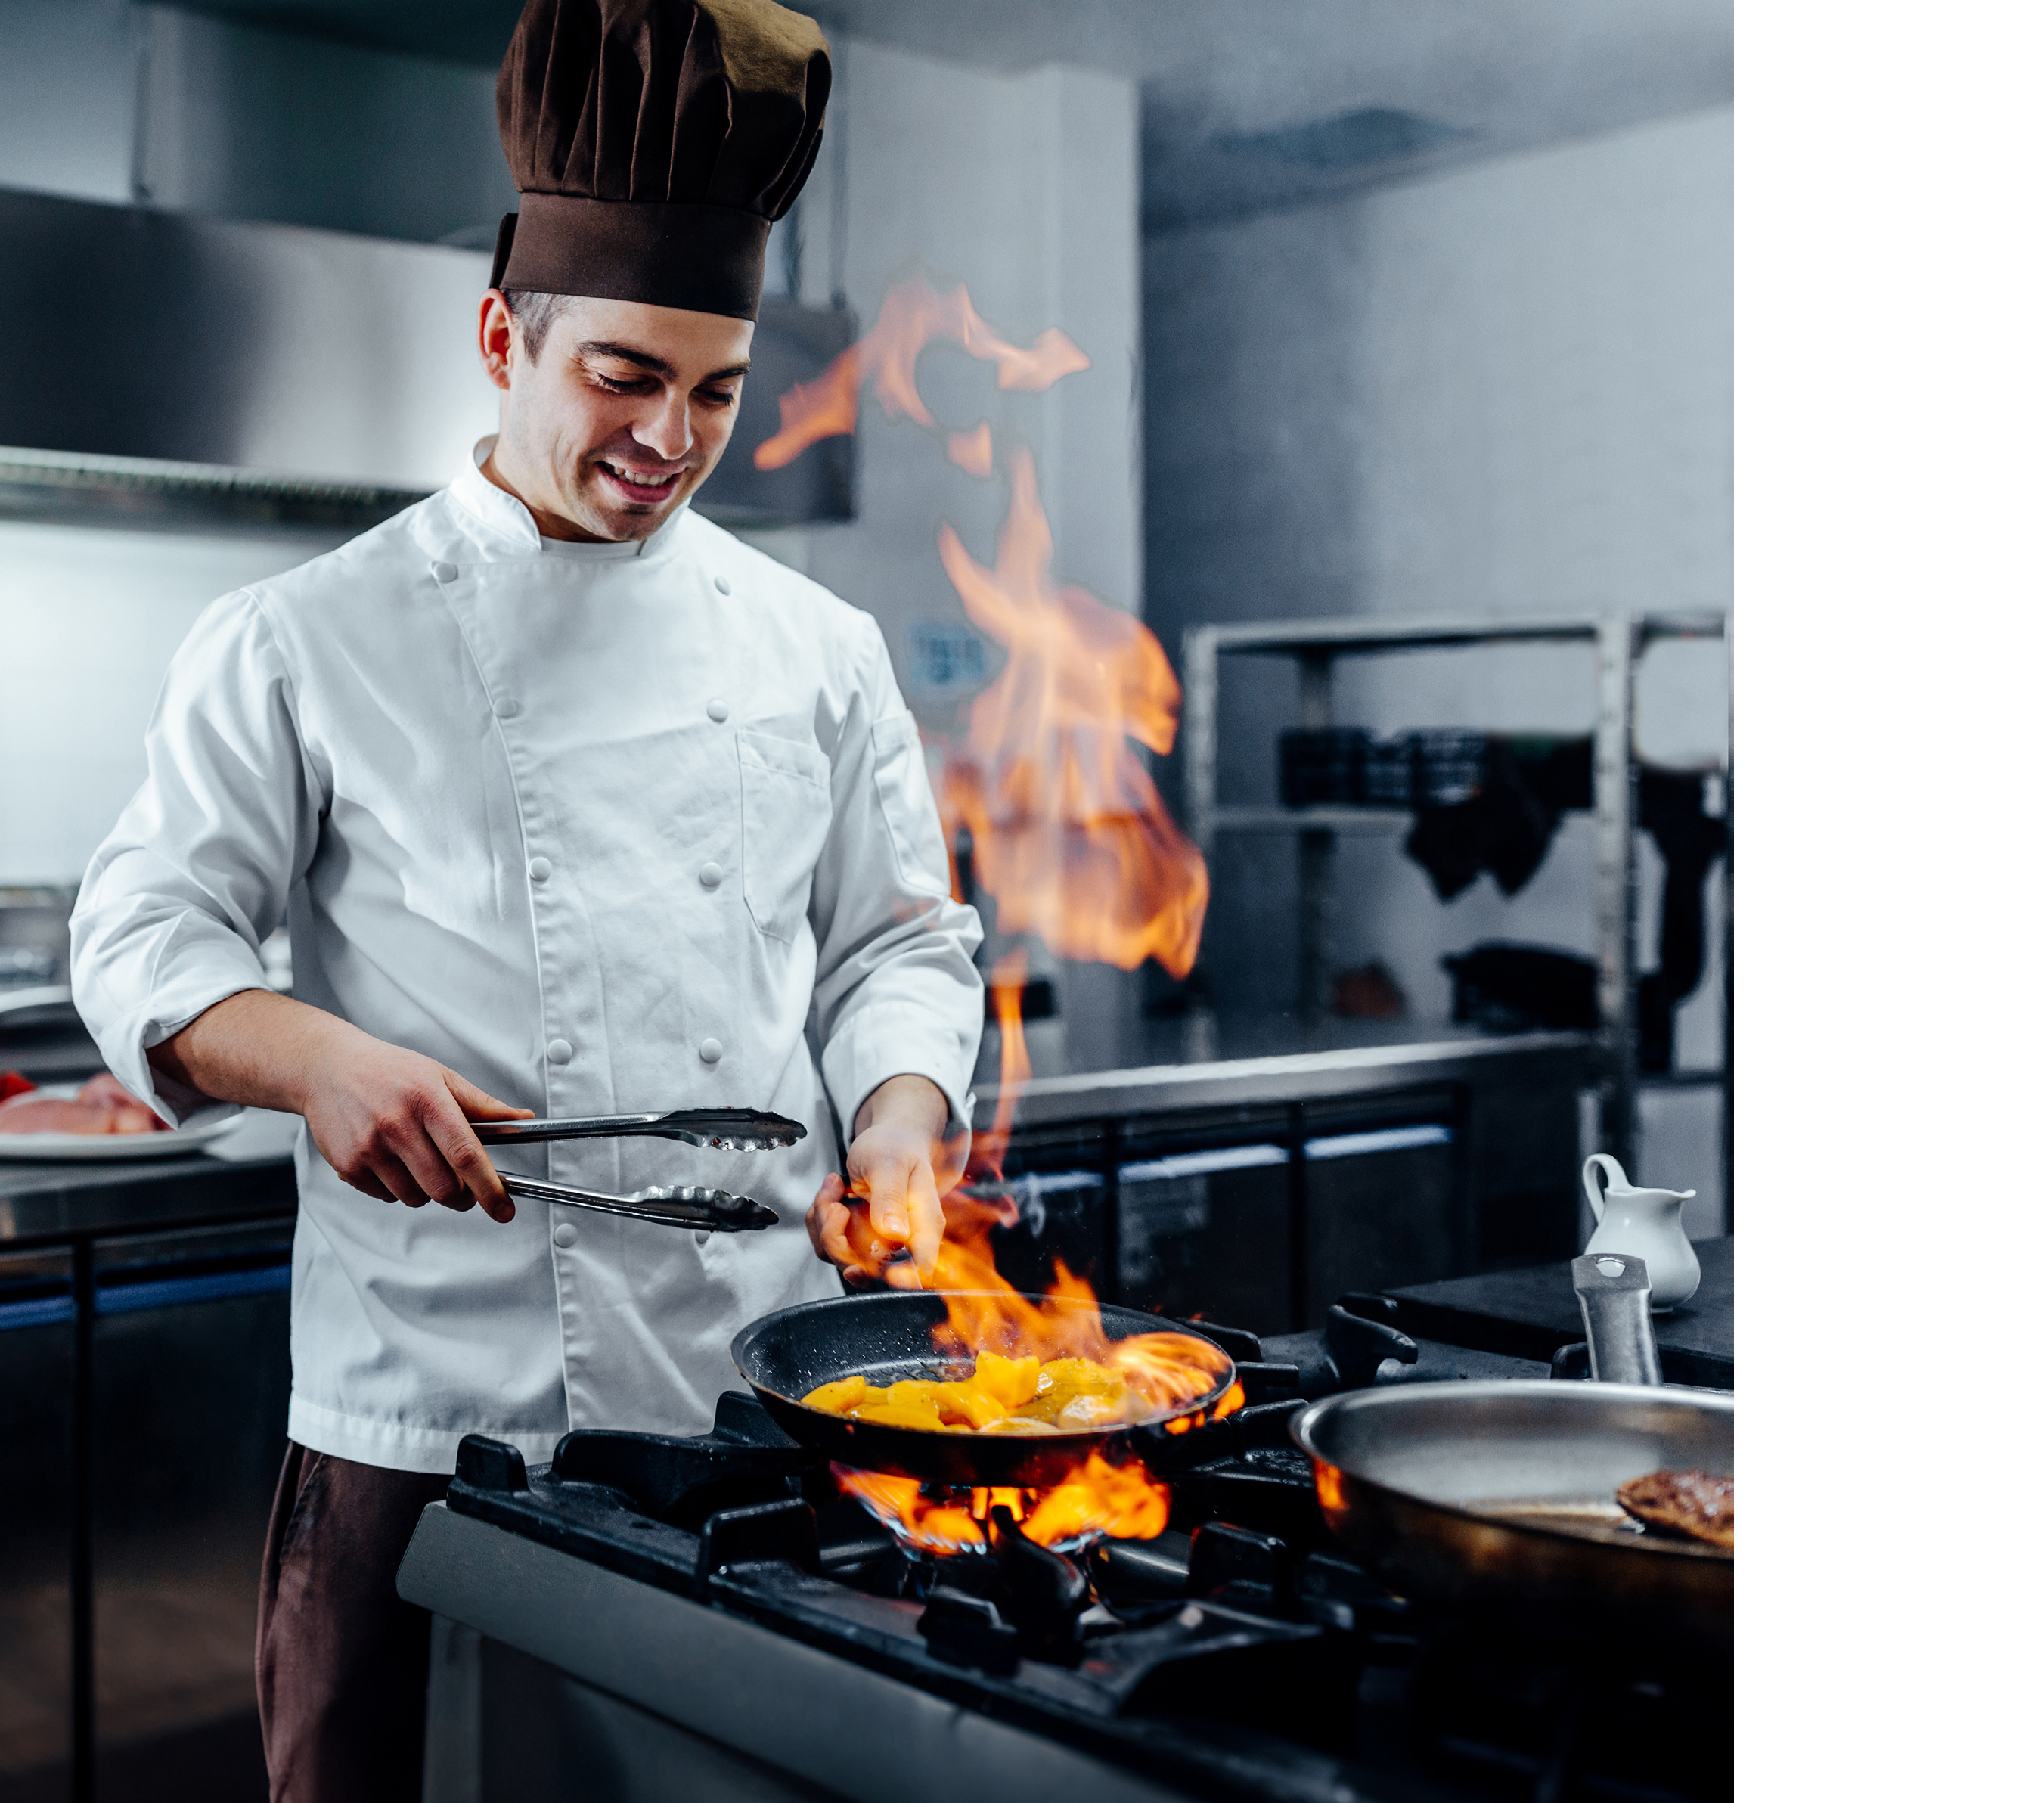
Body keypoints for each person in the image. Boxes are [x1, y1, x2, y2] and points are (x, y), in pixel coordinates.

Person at [67, 1, 980, 1795]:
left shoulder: (813, 644)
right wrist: (320, 1057)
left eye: (714, 391)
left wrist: (897, 1118)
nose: (672, 437)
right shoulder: (308, 636)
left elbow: (896, 943)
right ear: (504, 336)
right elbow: (142, 932)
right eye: (622, 378)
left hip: (755, 1412)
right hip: (428, 1429)